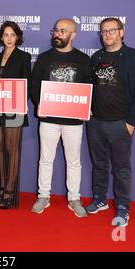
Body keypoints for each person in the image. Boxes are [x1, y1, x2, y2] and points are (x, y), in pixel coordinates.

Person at [85, 17, 135, 227]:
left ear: (121, 32)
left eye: (111, 31)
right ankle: (100, 198)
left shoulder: (134, 57)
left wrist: (132, 122)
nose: (107, 35)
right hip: (96, 123)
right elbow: (89, 88)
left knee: (121, 168)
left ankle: (122, 205)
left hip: (120, 123)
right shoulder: (96, 57)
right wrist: (88, 111)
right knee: (99, 164)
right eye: (103, 32)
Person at [30, 18, 91, 218]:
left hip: (74, 121)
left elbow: (90, 87)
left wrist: (87, 106)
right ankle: (43, 196)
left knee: (74, 161)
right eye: (56, 30)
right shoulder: (45, 58)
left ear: (73, 35)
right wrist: (39, 103)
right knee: (46, 159)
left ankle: (74, 198)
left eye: (63, 31)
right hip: (48, 119)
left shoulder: (83, 60)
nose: (57, 34)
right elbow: (34, 85)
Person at [0, 21, 31, 210]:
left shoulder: (24, 57)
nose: (9, 38)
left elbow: (26, 83)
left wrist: (19, 105)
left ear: (18, 37)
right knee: (0, 148)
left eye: (12, 35)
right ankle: (2, 187)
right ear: (1, 37)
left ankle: (11, 191)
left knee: (12, 150)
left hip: (15, 108)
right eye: (6, 35)